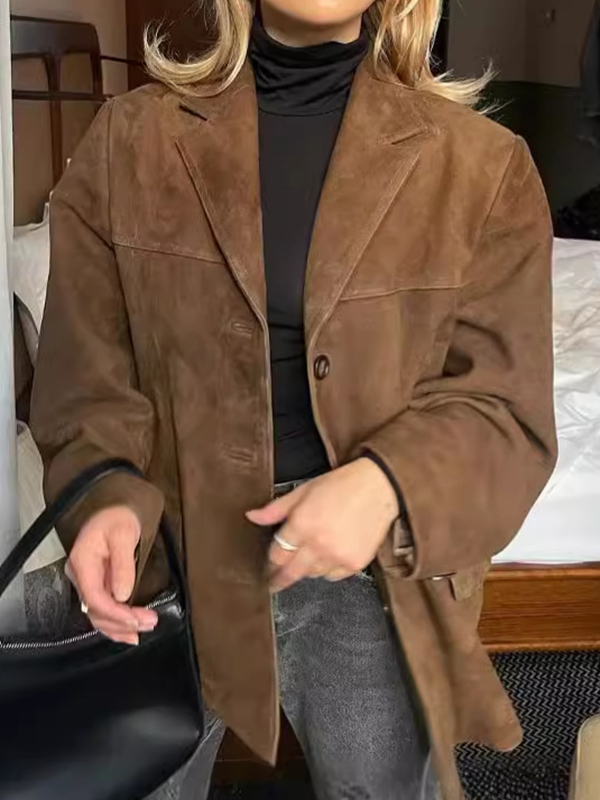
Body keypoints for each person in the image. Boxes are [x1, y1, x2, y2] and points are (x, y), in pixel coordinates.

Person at [30, 1, 557, 799]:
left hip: (371, 571)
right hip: (174, 551)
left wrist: (386, 483)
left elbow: (506, 410)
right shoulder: (126, 143)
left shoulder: (485, 167)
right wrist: (106, 496)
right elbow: (87, 378)